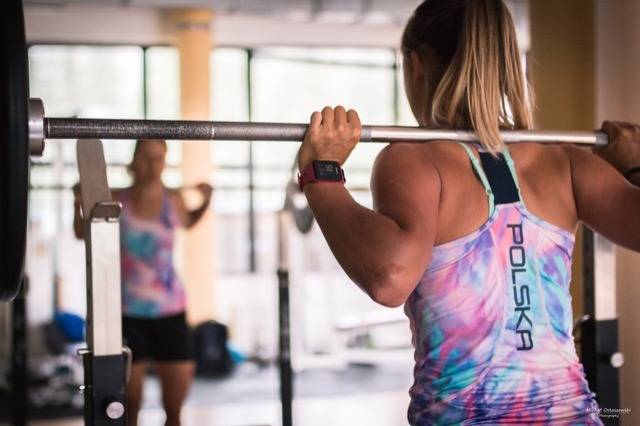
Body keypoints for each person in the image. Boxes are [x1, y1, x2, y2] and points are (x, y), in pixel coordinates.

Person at [295, 0, 640, 424]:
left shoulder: (415, 160)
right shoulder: (565, 162)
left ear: (415, 68)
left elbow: (390, 278)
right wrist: (633, 165)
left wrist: (321, 173)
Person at [73, 139, 213, 426]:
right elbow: (81, 232)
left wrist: (206, 201)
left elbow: (188, 222)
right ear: (134, 160)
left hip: (171, 311)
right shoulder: (115, 200)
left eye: (160, 158)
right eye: (147, 157)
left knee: (174, 408)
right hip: (126, 314)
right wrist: (78, 202)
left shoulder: (174, 200)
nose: (153, 165)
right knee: (129, 405)